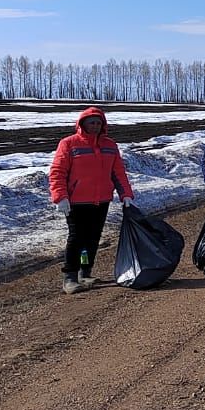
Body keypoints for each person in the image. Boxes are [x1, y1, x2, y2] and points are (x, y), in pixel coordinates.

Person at [48, 106, 135, 294]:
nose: (95, 126)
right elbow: (58, 172)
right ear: (82, 124)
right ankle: (70, 277)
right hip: (76, 202)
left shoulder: (110, 146)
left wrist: (125, 194)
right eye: (91, 122)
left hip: (101, 200)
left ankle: (85, 271)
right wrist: (60, 197)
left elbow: (118, 172)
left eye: (98, 123)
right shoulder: (69, 144)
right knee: (77, 238)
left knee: (93, 238)